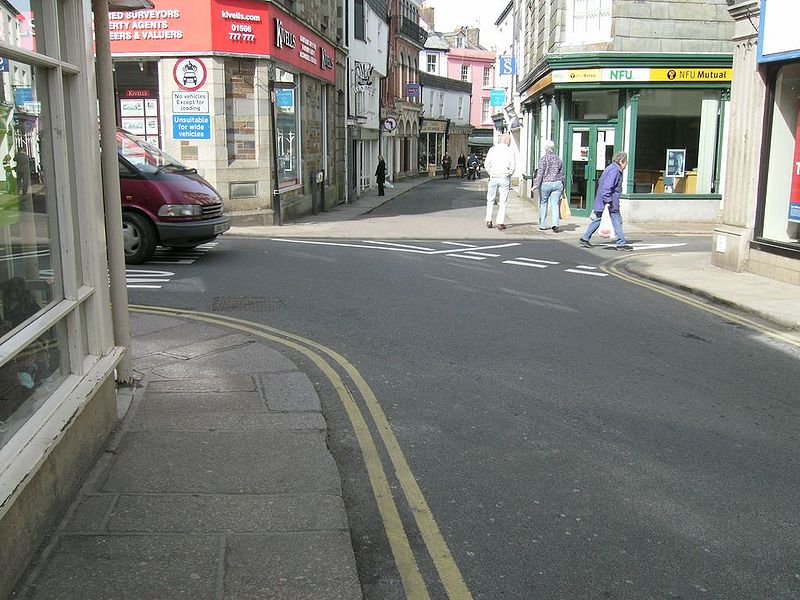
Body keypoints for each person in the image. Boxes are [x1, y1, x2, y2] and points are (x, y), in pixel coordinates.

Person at [579, 151, 632, 250]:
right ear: (621, 161)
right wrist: (608, 200)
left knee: (598, 219)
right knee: (617, 220)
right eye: (625, 163)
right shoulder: (615, 171)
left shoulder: (610, 168)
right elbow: (607, 187)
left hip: (603, 200)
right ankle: (621, 243)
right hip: (610, 201)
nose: (625, 165)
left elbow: (601, 182)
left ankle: (585, 238)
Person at [483, 133, 516, 231]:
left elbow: (486, 163)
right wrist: (509, 173)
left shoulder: (492, 149)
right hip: (504, 177)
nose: (509, 141)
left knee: (490, 199)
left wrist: (490, 172)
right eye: (509, 139)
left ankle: (488, 220)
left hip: (493, 177)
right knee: (503, 201)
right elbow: (513, 165)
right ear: (505, 140)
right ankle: (500, 222)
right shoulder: (510, 150)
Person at [532, 140, 565, 233]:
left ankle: (542, 224)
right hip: (557, 183)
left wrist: (535, 185)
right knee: (555, 204)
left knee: (543, 203)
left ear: (545, 148)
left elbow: (540, 173)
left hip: (546, 183)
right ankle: (555, 224)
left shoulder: (544, 159)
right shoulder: (558, 159)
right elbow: (562, 174)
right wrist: (563, 186)